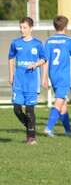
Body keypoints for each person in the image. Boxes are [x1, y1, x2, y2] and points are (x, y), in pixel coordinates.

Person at [8, 17, 46, 145]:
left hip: (31, 82)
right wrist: (11, 75)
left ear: (31, 28)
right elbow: (11, 58)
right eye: (20, 27)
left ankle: (31, 137)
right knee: (17, 109)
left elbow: (44, 59)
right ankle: (30, 126)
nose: (22, 30)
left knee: (30, 110)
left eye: (24, 27)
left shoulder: (37, 44)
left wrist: (36, 64)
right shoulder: (15, 43)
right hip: (18, 81)